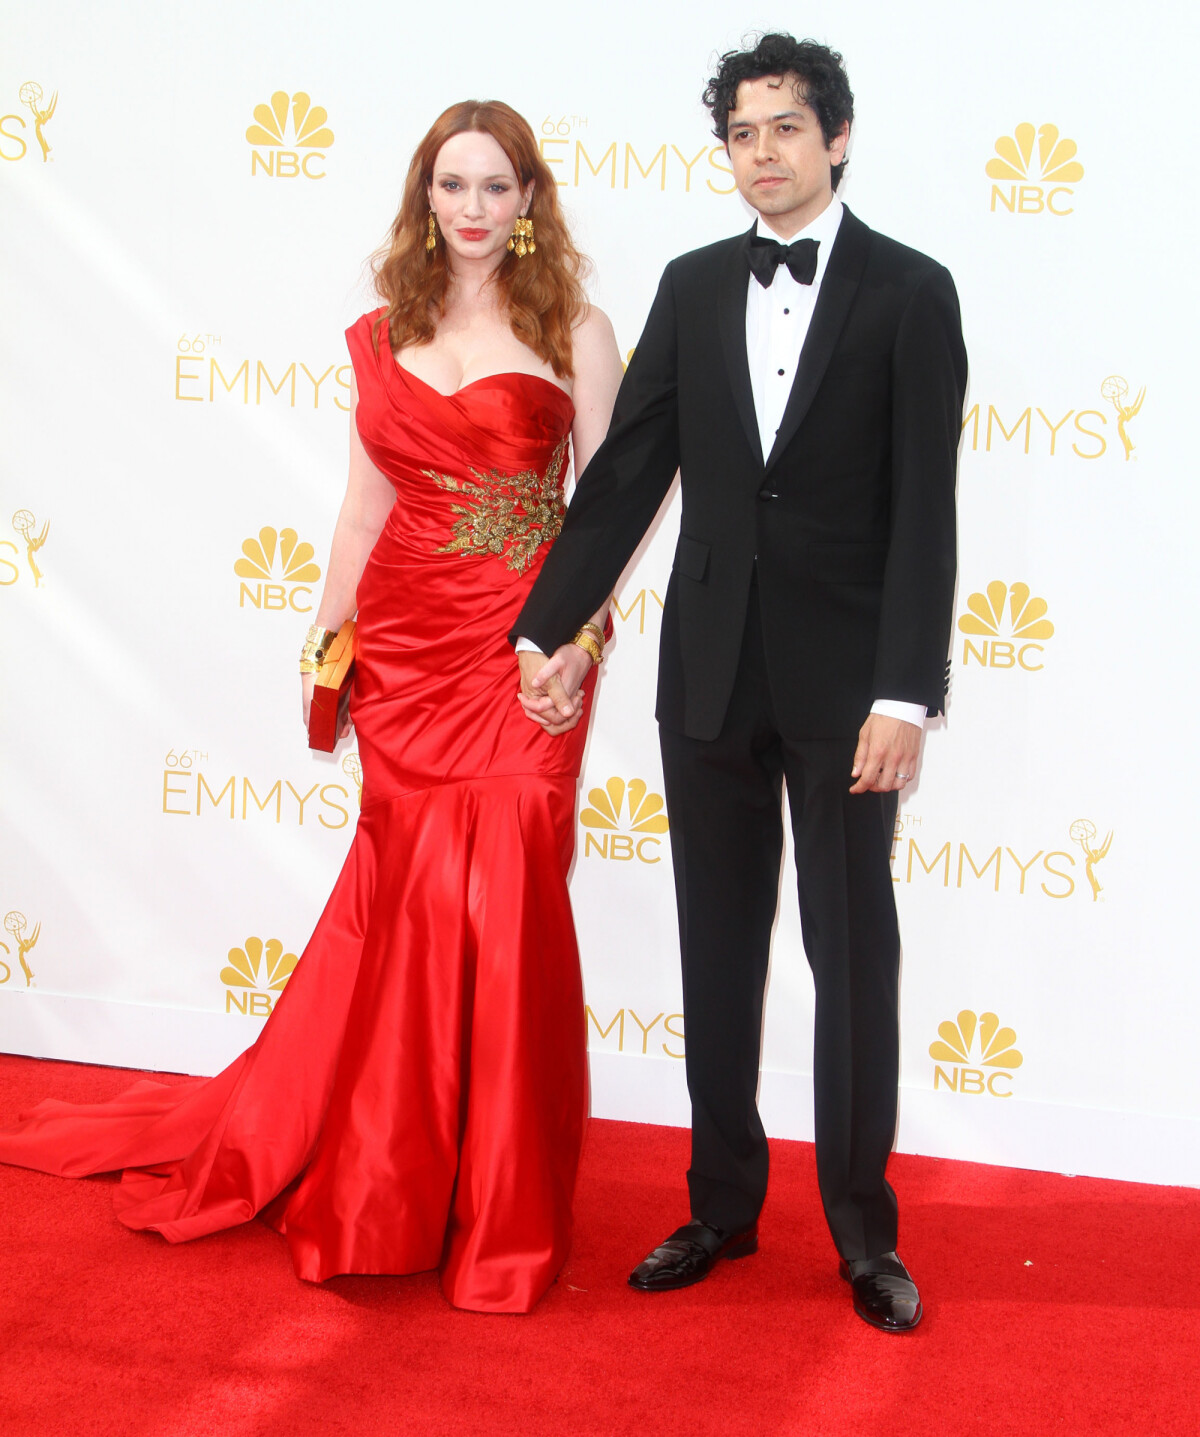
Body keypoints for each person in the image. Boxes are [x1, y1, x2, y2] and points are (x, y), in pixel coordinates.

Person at [0, 101, 623, 1315]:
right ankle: (391, 1179)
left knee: (511, 902)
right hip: (404, 647)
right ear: (425, 197)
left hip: (527, 659)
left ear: (532, 201)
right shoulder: (384, 330)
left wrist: (581, 642)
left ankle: (502, 1199)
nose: (476, 208)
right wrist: (330, 642)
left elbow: (610, 505)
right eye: (454, 185)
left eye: (499, 187)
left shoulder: (580, 332)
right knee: (408, 902)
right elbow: (359, 511)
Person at [513, 35, 967, 1332]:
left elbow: (925, 518)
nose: (761, 151)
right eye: (742, 132)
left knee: (851, 957)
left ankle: (864, 1233)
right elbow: (629, 473)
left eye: (785, 128)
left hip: (848, 693)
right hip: (706, 672)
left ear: (837, 139)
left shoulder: (909, 293)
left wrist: (906, 694)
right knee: (716, 951)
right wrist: (545, 627)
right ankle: (719, 1205)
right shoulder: (695, 283)